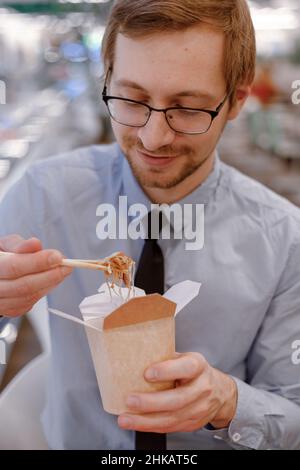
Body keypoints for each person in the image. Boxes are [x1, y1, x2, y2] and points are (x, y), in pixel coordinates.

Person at [0, 0, 300, 450]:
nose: (153, 138)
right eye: (132, 99)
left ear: (236, 100)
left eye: (188, 108)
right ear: (106, 78)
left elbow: (293, 412)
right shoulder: (43, 194)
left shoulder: (284, 240)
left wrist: (228, 401)